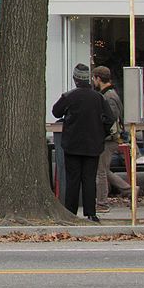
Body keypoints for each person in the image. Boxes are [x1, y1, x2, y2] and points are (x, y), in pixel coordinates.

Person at [52, 63, 114, 222]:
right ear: (89, 80)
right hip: (93, 144)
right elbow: (110, 118)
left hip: (72, 144)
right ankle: (90, 212)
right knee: (89, 179)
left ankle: (71, 212)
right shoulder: (98, 97)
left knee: (72, 179)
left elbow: (56, 111)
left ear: (75, 79)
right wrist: (101, 133)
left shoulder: (69, 96)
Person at [92, 66, 123, 213]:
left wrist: (100, 132)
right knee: (103, 169)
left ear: (98, 78)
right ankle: (129, 189)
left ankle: (102, 203)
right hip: (108, 138)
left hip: (108, 138)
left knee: (101, 171)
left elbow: (111, 118)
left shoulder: (108, 96)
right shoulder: (109, 94)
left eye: (94, 78)